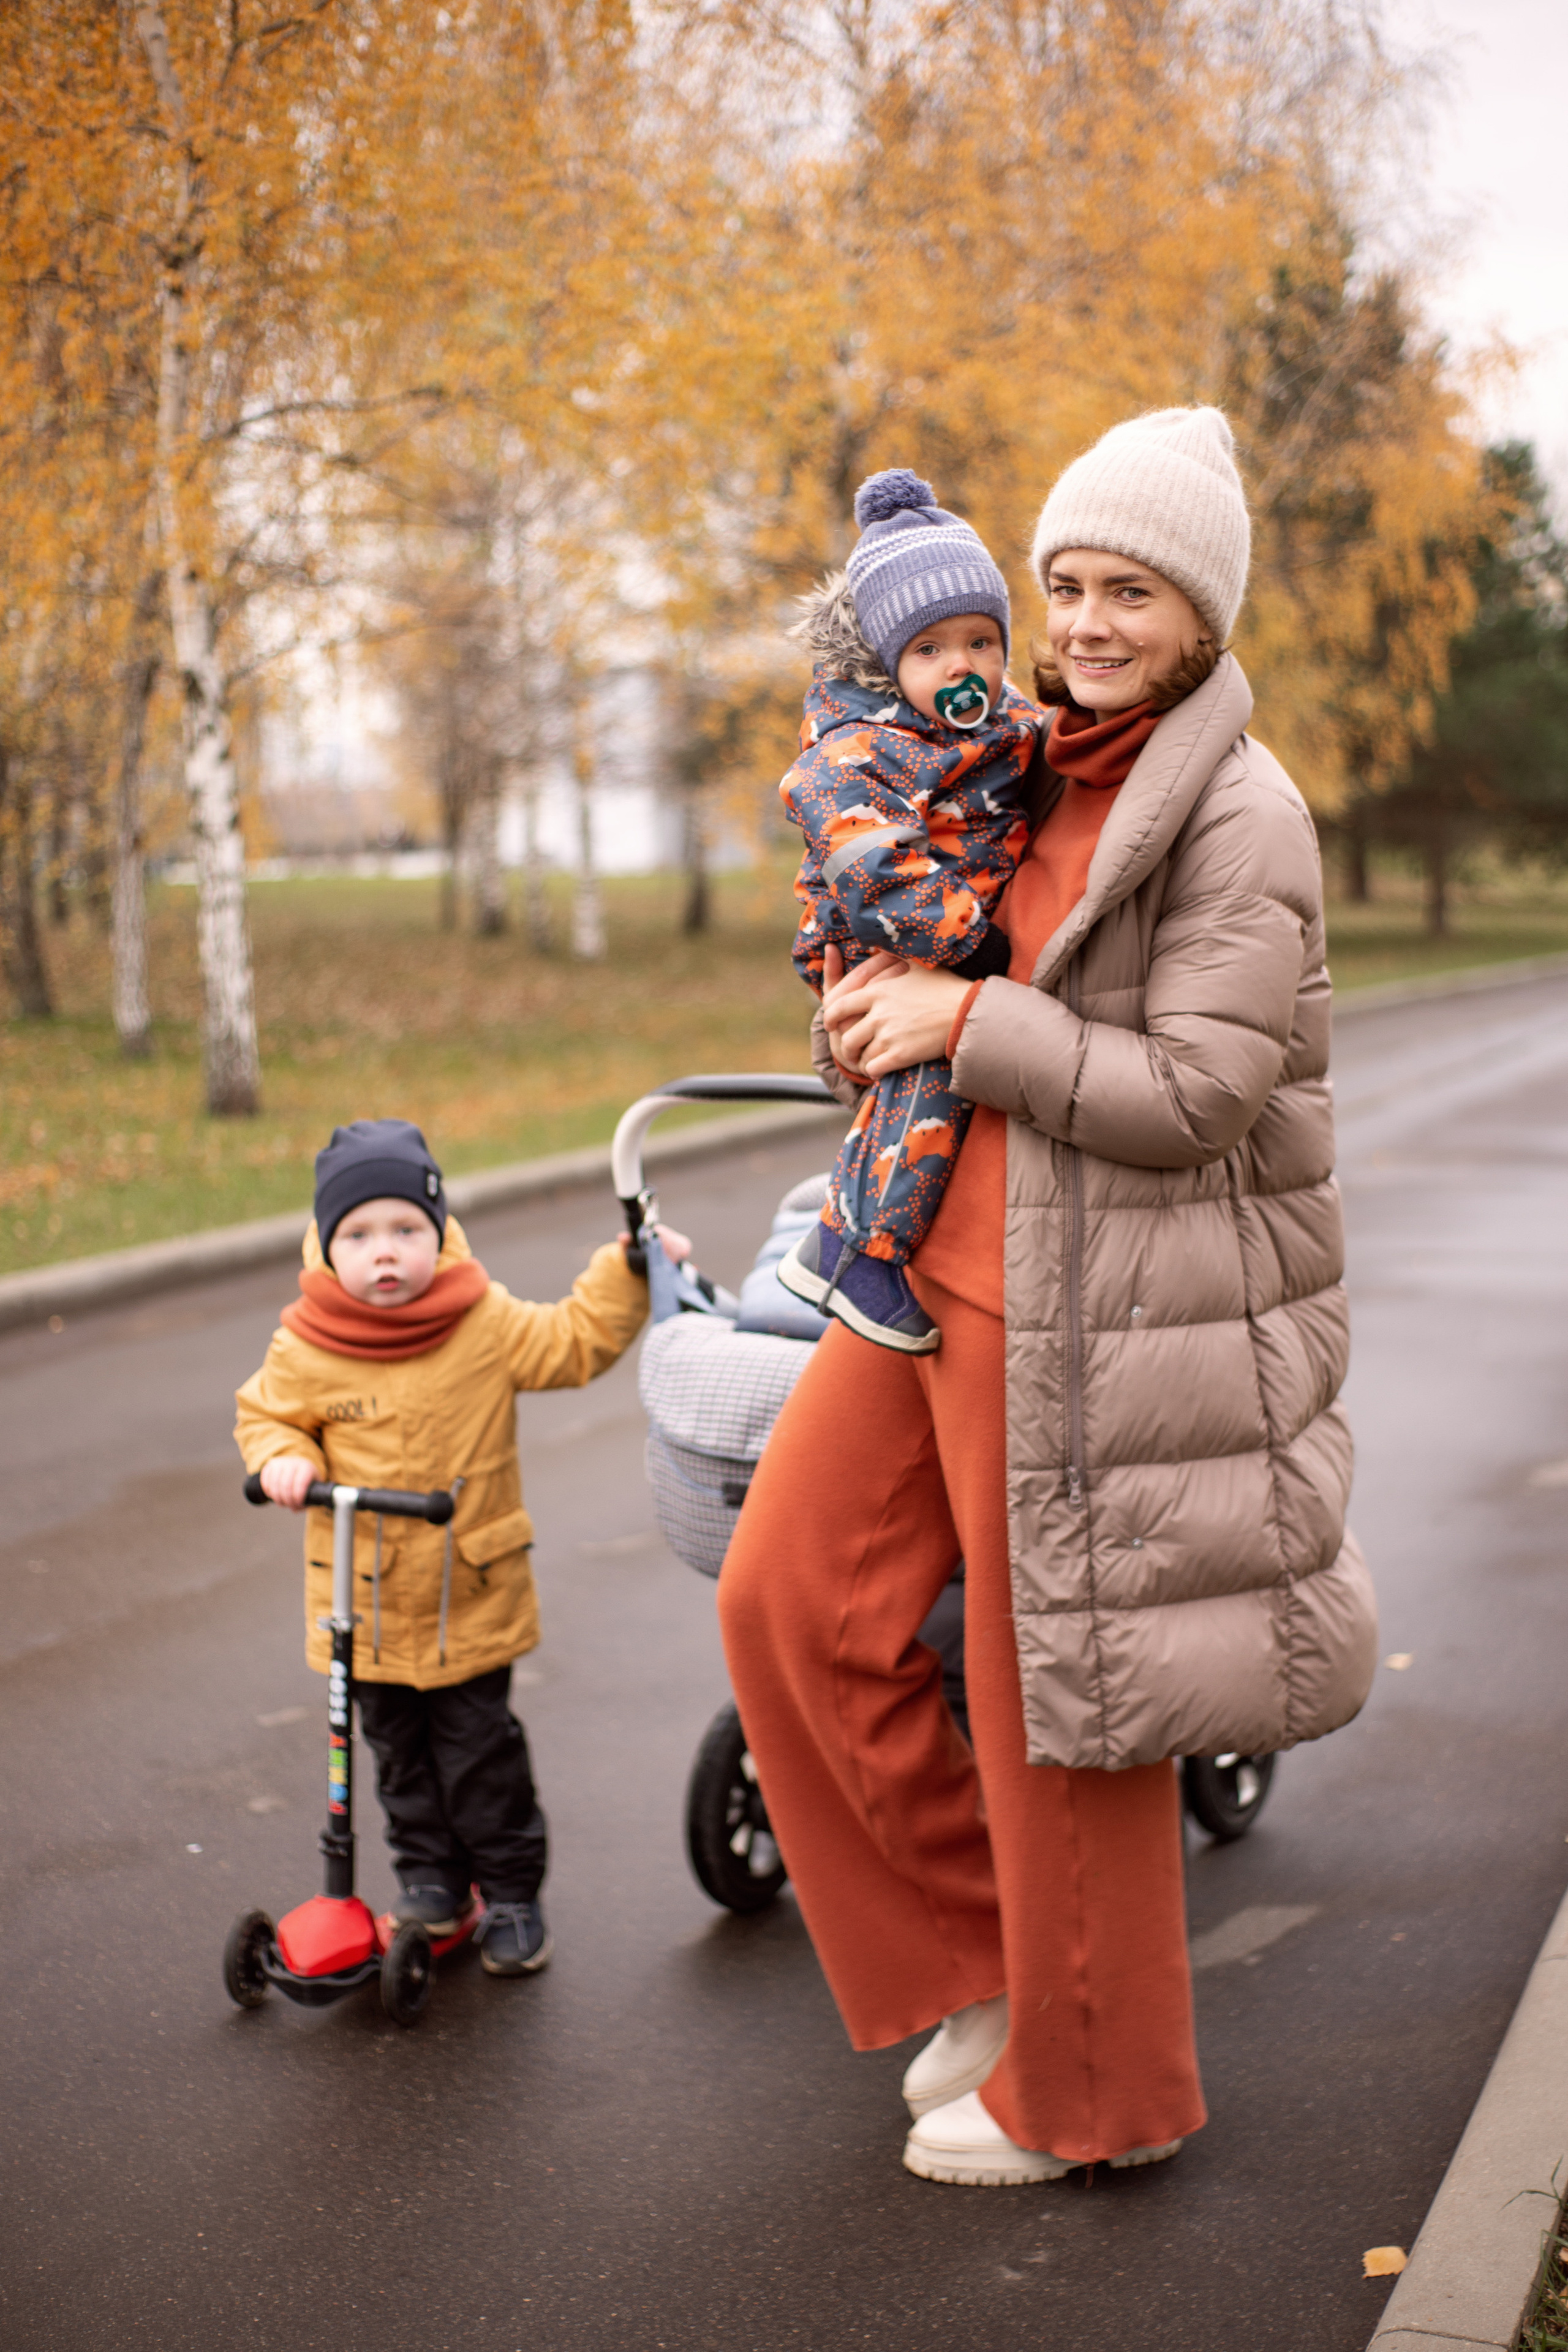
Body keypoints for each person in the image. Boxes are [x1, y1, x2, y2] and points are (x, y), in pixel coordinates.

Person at [720, 406, 1378, 2185]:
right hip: (924, 1260)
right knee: (791, 1602)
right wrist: (867, 1006)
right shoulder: (1024, 755)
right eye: (1066, 583)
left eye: (1132, 592)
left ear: (1204, 614)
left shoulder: (1238, 812)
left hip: (1095, 1303)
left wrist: (965, 1025)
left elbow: (1196, 1094)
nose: (1087, 621)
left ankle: (1098, 2098)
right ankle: (983, 1968)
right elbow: (913, 955)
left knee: (1055, 1707)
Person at [234, 1117, 685, 1979]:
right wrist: (285, 1459)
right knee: (400, 1763)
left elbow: (571, 1343)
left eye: (407, 1229)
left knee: (482, 1762)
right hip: (360, 1612)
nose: (387, 1252)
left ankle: (513, 1894)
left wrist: (624, 1270)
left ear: (439, 1234)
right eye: (360, 1236)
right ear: (329, 1249)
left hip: (468, 1596)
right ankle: (432, 1885)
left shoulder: (480, 1319)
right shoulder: (305, 1344)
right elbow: (268, 1415)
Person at [775, 469, 1040, 1355]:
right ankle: (857, 1250)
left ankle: (853, 1245)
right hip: (888, 936)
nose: (964, 668)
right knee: (930, 1079)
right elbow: (870, 861)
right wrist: (972, 950)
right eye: (931, 651)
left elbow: (1040, 737)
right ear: (890, 662)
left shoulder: (986, 718)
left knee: (940, 1073)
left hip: (938, 926)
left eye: (981, 642)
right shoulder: (860, 747)